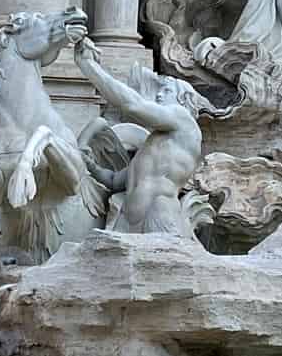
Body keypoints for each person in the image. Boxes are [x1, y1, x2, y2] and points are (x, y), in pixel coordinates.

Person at [74, 37, 208, 239]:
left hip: (159, 215)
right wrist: (91, 165)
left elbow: (132, 106)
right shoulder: (155, 143)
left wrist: (89, 66)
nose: (159, 96)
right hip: (126, 220)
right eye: (160, 91)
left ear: (184, 100)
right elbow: (115, 181)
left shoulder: (184, 121)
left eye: (167, 91)